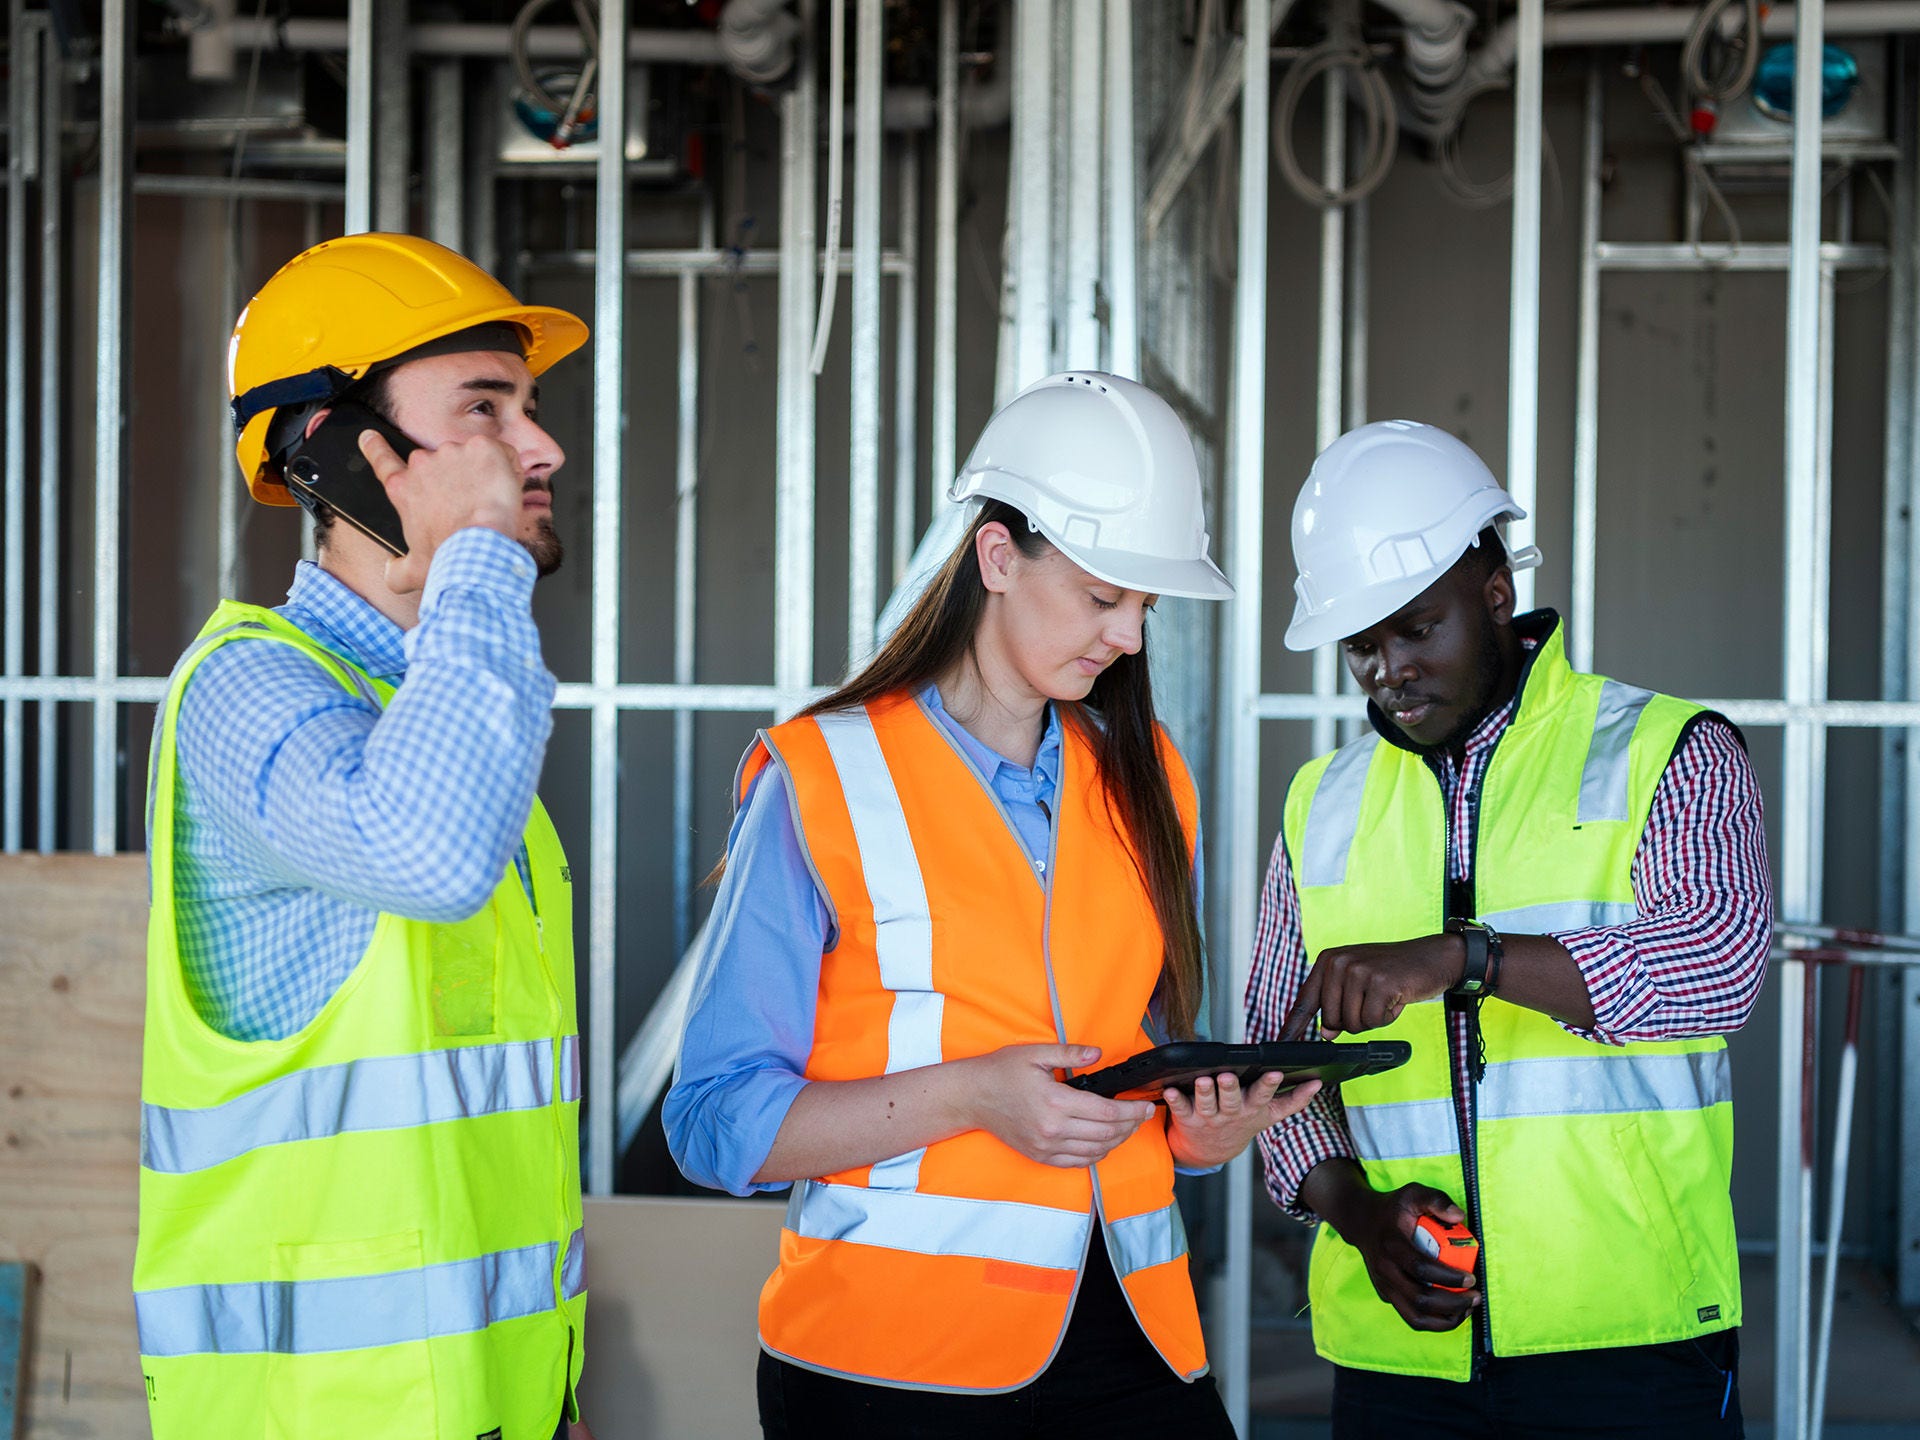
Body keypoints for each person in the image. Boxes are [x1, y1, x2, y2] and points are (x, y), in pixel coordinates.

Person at [666, 371, 1320, 1438]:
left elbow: (1120, 1066)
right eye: (1105, 597)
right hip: (893, 1371)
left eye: (1146, 607)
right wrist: (972, 1096)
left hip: (1140, 1342)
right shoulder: (824, 779)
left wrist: (1198, 1133)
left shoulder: (1149, 778)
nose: (1132, 639)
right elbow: (712, 1124)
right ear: (998, 556)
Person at [133, 233, 597, 1440]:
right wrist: (481, 559)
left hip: (492, 1406)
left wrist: (551, 1399)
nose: (540, 448)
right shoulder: (247, 691)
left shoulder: (439, 706)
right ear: (342, 452)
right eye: (485, 410)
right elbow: (428, 856)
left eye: (530, 408)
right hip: (323, 1412)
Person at [1245, 419, 1773, 1438]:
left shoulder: (1667, 750)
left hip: (1630, 1339)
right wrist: (1358, 1216)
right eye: (1362, 644)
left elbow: (1717, 968)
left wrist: (1465, 957)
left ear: (1495, 595)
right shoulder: (1324, 802)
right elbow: (1275, 1074)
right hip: (1403, 1345)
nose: (1387, 670)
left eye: (1414, 628)